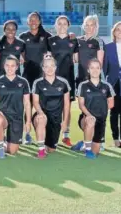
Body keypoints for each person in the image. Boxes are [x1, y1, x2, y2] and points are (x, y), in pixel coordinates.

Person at [18, 12, 51, 146]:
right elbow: (17, 52)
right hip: (27, 75)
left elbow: (54, 51)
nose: (33, 22)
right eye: (30, 20)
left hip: (41, 75)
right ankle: (27, 134)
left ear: (40, 21)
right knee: (28, 105)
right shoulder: (23, 37)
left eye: (36, 19)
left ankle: (42, 133)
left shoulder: (47, 36)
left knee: (42, 105)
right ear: (27, 22)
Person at [0, 56, 32, 159]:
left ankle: (3, 141)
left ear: (17, 67)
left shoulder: (23, 82)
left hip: (17, 117)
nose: (10, 68)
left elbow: (27, 103)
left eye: (13, 66)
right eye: (7, 65)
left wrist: (28, 121)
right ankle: (0, 147)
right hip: (3, 115)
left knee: (12, 151)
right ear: (4, 66)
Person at [72, 59, 114, 159]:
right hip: (86, 118)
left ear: (100, 70)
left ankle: (83, 143)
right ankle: (87, 149)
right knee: (91, 122)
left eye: (97, 68)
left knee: (95, 152)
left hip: (101, 120)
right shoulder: (83, 85)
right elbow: (81, 105)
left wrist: (101, 111)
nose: (95, 70)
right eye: (92, 68)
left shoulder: (107, 86)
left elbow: (111, 104)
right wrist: (90, 115)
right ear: (88, 70)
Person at [47, 15, 79, 146]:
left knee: (67, 107)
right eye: (59, 23)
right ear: (55, 26)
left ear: (68, 25)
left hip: (68, 78)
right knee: (50, 107)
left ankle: (66, 135)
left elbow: (76, 59)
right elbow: (47, 59)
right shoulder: (50, 40)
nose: (61, 26)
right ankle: (49, 136)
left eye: (64, 23)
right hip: (52, 79)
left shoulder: (74, 41)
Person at [31, 56, 71, 159]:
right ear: (43, 68)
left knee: (52, 150)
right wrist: (40, 112)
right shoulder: (38, 83)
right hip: (41, 115)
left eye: (52, 66)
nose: (49, 69)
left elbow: (67, 104)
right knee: (41, 119)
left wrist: (65, 121)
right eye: (46, 66)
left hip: (56, 119)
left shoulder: (63, 83)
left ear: (56, 67)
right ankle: (40, 151)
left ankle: (47, 146)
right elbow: (35, 102)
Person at [76, 15, 105, 86]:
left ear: (95, 26)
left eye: (91, 25)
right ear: (84, 26)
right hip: (80, 76)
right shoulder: (77, 40)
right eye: (87, 25)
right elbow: (76, 59)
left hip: (94, 78)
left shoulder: (99, 41)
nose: (89, 27)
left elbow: (100, 63)